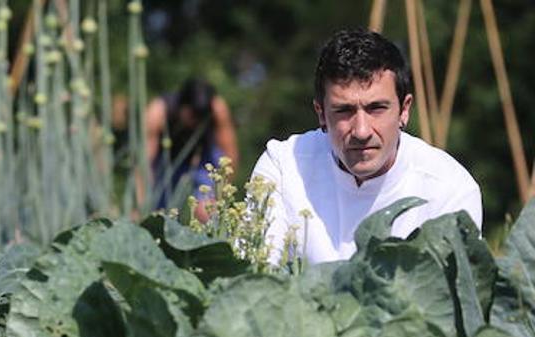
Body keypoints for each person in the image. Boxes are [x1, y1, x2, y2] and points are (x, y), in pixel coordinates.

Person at [250, 28, 482, 264]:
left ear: (404, 109)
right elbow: (255, 278)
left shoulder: (449, 189)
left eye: (376, 108)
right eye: (344, 111)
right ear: (320, 113)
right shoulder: (282, 168)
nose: (361, 131)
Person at [146, 78, 238, 219]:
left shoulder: (217, 108)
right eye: (193, 115)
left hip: (204, 158)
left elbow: (229, 153)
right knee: (159, 214)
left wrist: (221, 195)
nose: (196, 122)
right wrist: (141, 200)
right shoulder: (158, 111)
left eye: (201, 117)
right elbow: (145, 161)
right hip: (167, 159)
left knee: (206, 210)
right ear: (183, 106)